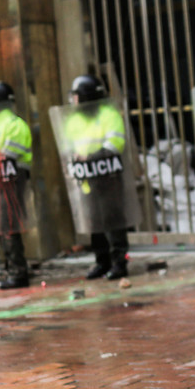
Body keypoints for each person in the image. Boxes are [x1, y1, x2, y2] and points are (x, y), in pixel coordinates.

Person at [64, 75, 129, 280]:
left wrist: (91, 157)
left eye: (76, 96)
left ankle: (119, 263)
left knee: (112, 220)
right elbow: (69, 146)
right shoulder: (74, 120)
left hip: (107, 174)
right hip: (87, 177)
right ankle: (102, 262)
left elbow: (115, 144)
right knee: (94, 221)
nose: (73, 101)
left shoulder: (109, 115)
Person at [0, 81, 33, 289]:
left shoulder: (13, 124)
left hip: (12, 183)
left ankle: (18, 273)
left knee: (10, 228)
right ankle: (11, 268)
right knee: (3, 228)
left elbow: (6, 158)